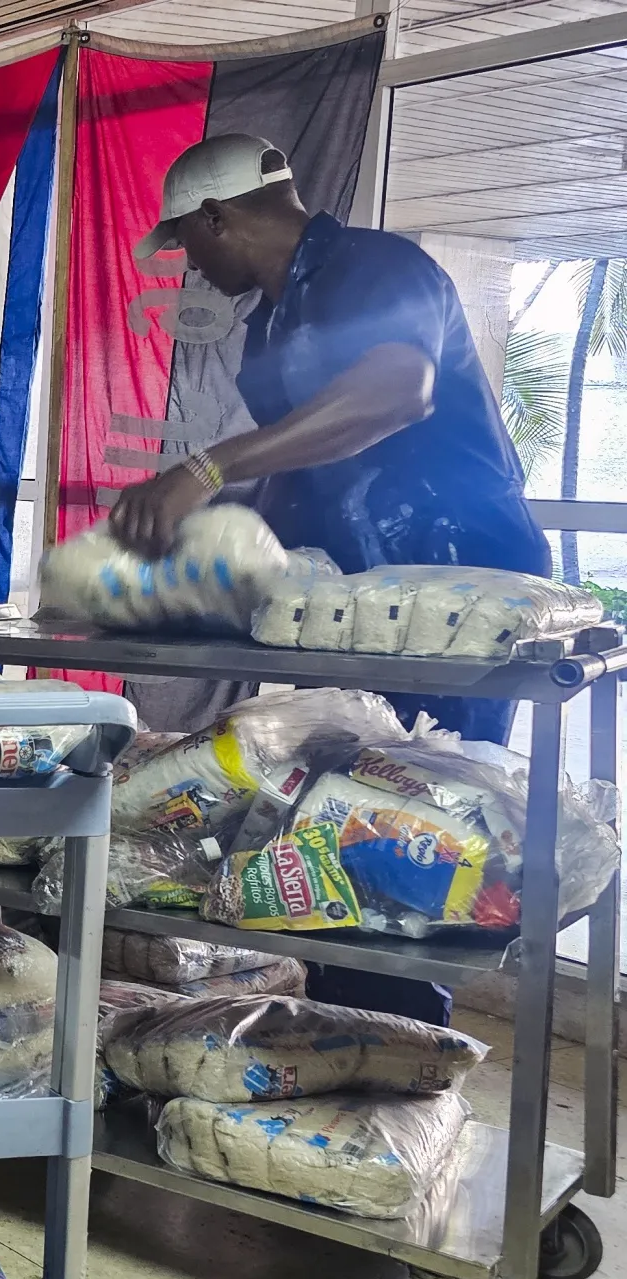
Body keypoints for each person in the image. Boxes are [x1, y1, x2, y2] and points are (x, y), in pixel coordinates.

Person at [110, 134, 551, 1024]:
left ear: (216, 217)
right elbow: (296, 471)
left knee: (427, 823)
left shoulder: (377, 269)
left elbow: (397, 391)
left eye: (186, 241)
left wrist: (206, 467)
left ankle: (410, 1038)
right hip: (356, 601)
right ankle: (353, 1027)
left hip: (456, 583)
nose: (188, 263)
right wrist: (210, 556)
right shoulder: (268, 324)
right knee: (339, 818)